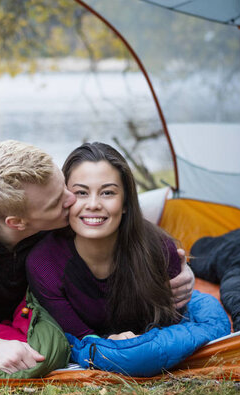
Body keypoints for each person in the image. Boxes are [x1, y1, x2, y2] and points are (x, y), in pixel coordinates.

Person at [0, 140, 195, 375]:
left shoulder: (53, 213)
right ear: (17, 223)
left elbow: (122, 224)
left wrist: (181, 272)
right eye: (59, 201)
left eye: (65, 188)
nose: (74, 202)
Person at [26, 142, 184, 341]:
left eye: (107, 192)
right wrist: (111, 343)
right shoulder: (45, 263)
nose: (93, 205)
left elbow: (174, 325)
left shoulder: (159, 249)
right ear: (65, 198)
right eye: (81, 193)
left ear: (126, 202)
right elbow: (78, 339)